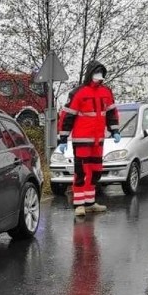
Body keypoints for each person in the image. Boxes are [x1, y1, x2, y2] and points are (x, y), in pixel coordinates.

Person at [57, 61, 121, 217]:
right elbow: (67, 116)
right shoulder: (78, 93)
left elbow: (111, 113)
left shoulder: (106, 92)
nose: (100, 76)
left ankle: (90, 202)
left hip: (98, 140)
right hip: (82, 139)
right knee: (81, 171)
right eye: (97, 72)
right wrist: (63, 137)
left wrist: (114, 130)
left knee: (96, 171)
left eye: (101, 73)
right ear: (90, 73)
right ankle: (79, 204)